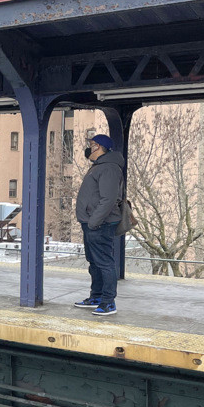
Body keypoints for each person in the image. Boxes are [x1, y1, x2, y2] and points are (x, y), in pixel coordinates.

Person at [74, 134, 125, 317]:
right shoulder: (98, 167)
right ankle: (96, 296)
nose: (89, 148)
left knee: (104, 263)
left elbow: (109, 199)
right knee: (94, 262)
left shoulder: (109, 168)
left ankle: (108, 302)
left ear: (99, 147)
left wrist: (95, 221)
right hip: (91, 222)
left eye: (92, 144)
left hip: (100, 224)